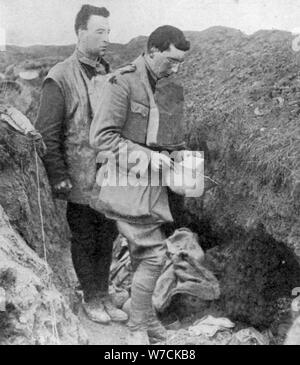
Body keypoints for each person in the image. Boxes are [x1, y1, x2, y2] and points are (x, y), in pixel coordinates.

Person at [90, 25, 190, 344]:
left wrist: (174, 153)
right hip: (125, 182)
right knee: (153, 254)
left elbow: (152, 131)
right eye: (170, 61)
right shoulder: (124, 80)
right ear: (151, 51)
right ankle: (137, 328)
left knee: (142, 255)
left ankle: (146, 320)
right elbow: (102, 138)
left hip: (147, 185)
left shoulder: (156, 82)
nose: (174, 69)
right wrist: (148, 157)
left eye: (180, 64)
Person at [35, 4, 127, 324]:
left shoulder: (107, 72)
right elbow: (46, 133)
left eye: (108, 32)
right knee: (85, 237)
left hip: (108, 174)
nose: (106, 39)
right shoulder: (59, 77)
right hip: (79, 176)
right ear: (80, 33)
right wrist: (59, 176)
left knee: (107, 235)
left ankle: (102, 294)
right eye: (99, 32)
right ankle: (91, 298)